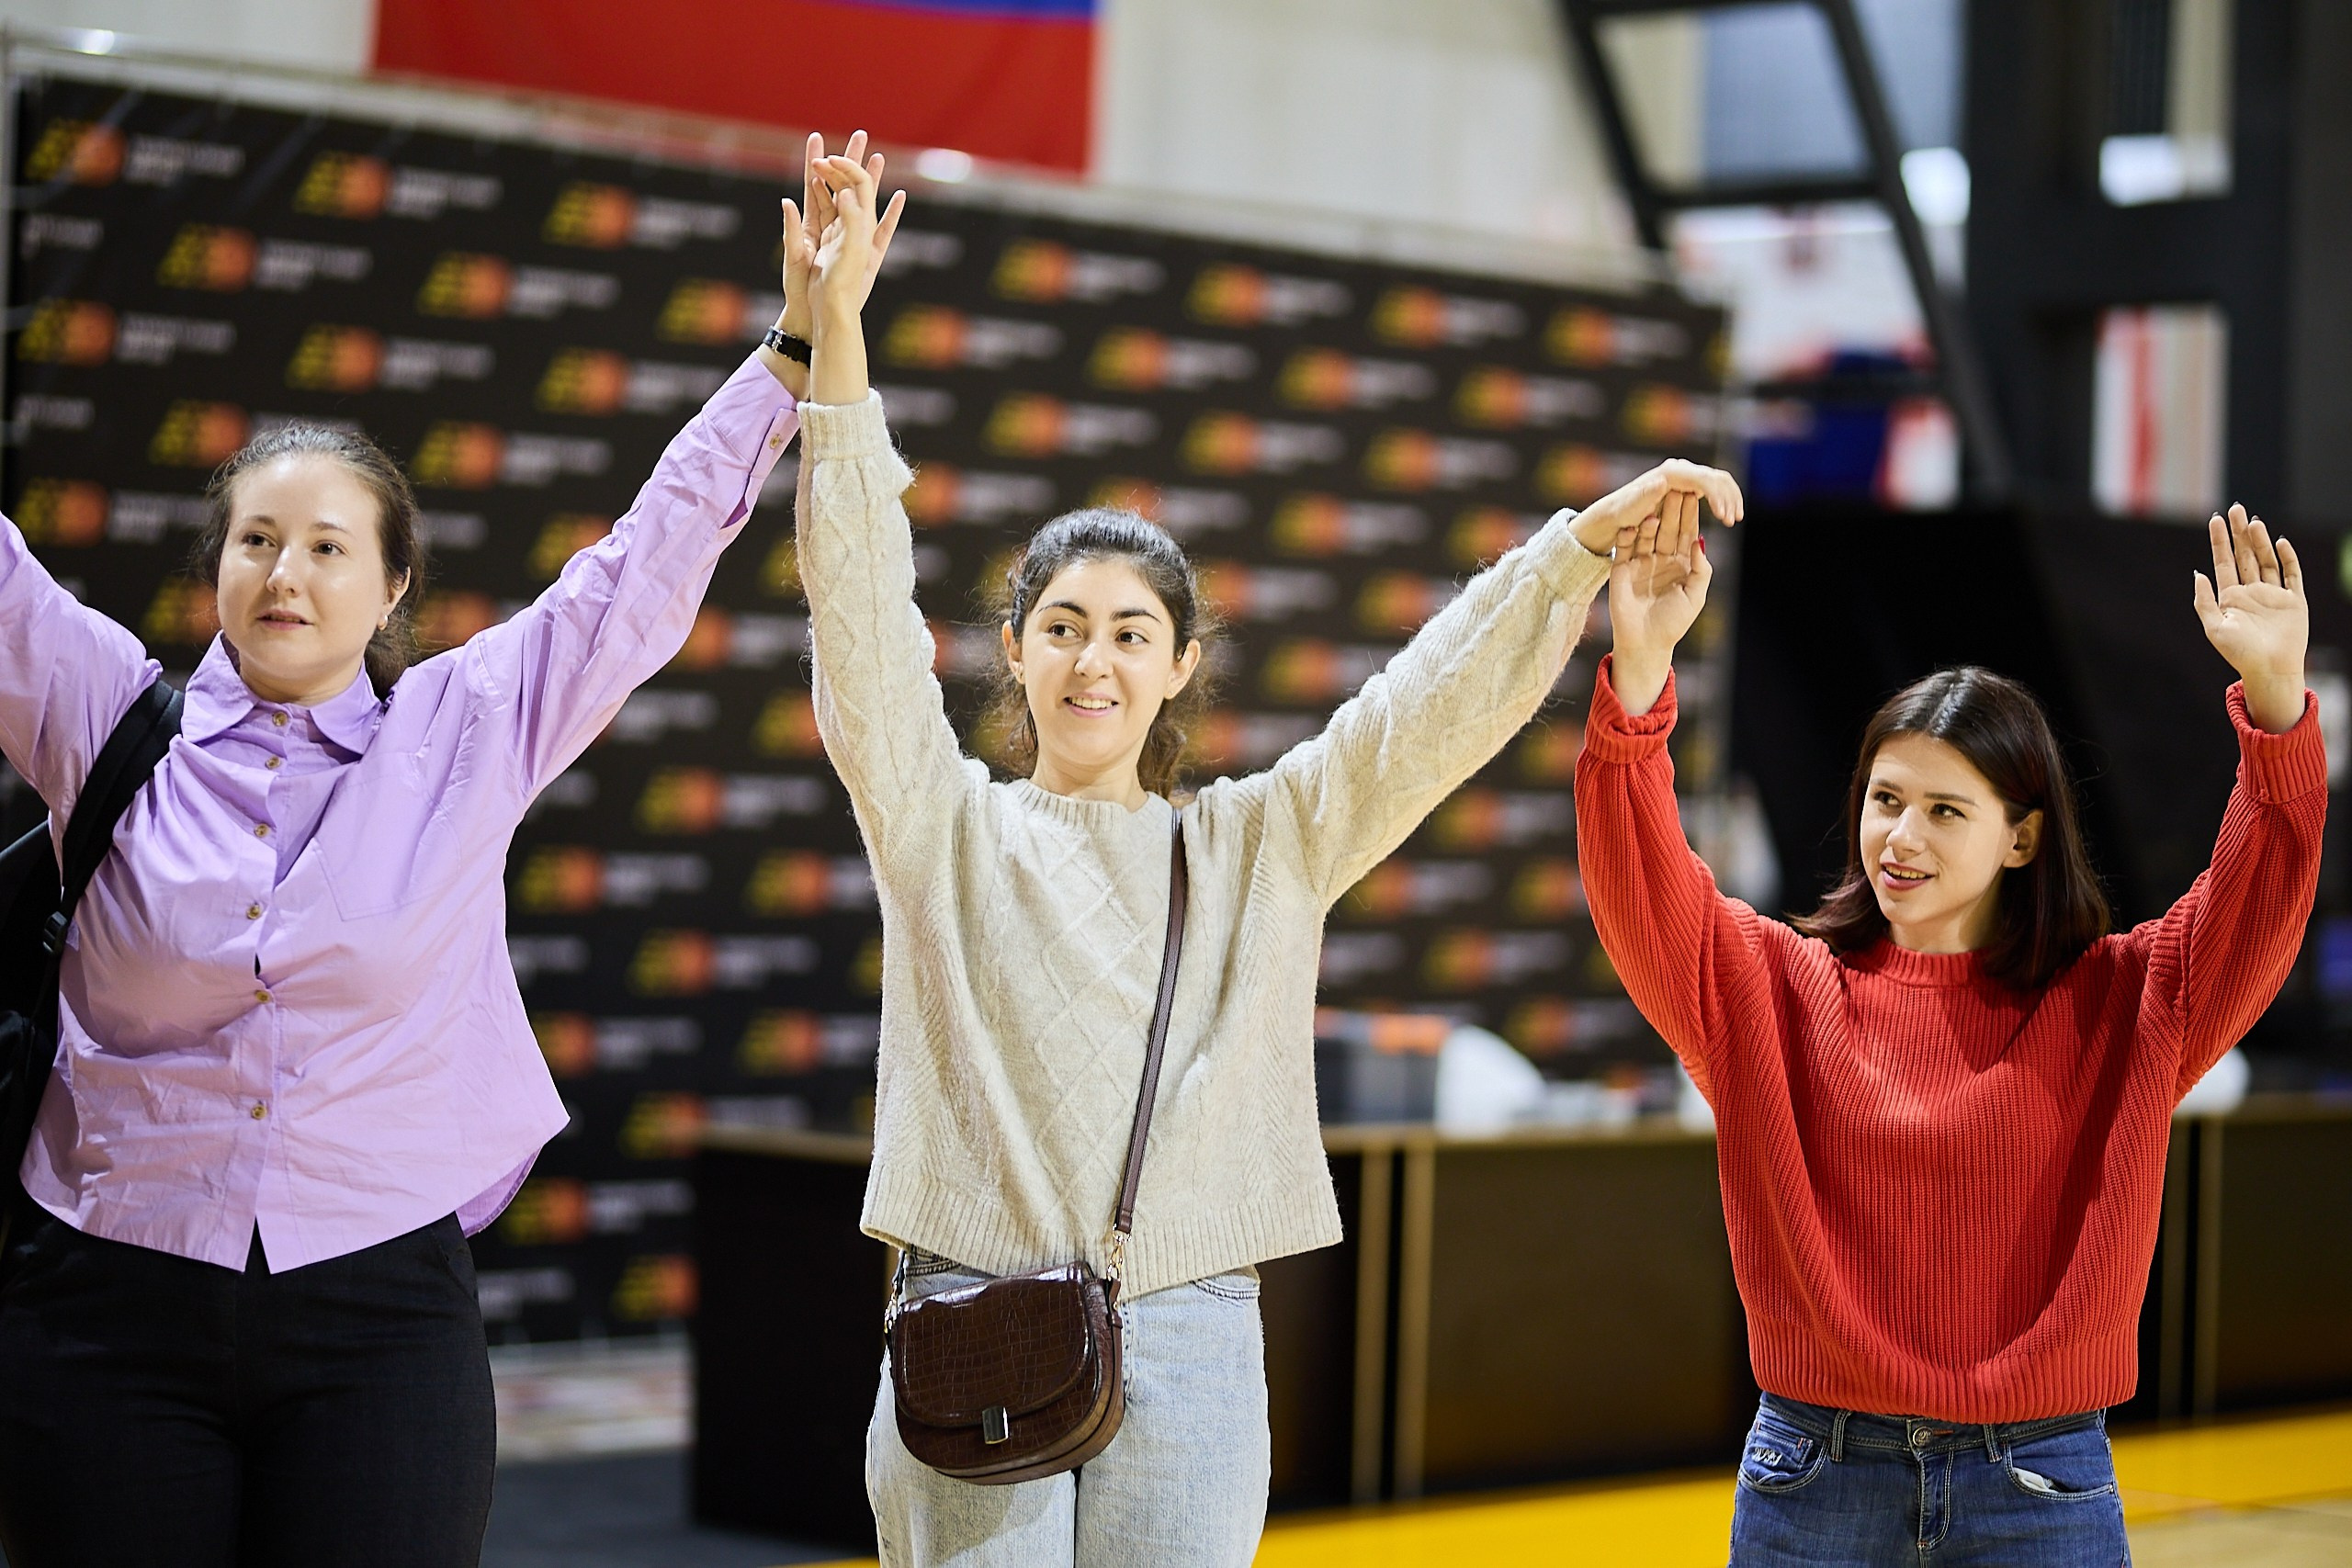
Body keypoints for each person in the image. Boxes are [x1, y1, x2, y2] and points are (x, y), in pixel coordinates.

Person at [788, 150, 1741, 1566]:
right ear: (1014, 651)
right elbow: (860, 605)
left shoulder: (1259, 841)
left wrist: (1572, 557)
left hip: (1190, 1335)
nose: (1094, 659)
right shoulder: (944, 820)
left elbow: (1421, 713)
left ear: (1180, 665)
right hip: (973, 1312)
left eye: (1130, 633)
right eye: (1062, 627)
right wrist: (837, 348)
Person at [0, 133, 903, 1568]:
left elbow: (645, 561)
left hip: (378, 1313)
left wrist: (796, 341)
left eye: (327, 546)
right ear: (215, 566)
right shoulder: (101, 708)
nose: (285, 571)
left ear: (393, 584)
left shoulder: (466, 724)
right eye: (254, 539)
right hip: (106, 1298)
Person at [1575, 499, 2324, 1565]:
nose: (1900, 836)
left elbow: (2262, 899)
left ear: (2022, 837)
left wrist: (2277, 703)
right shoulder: (1769, 986)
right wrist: (1642, 673)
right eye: (1884, 799)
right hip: (1813, 1480)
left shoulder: (2122, 998)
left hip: (2041, 1484)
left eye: (1944, 810)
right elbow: (1636, 877)